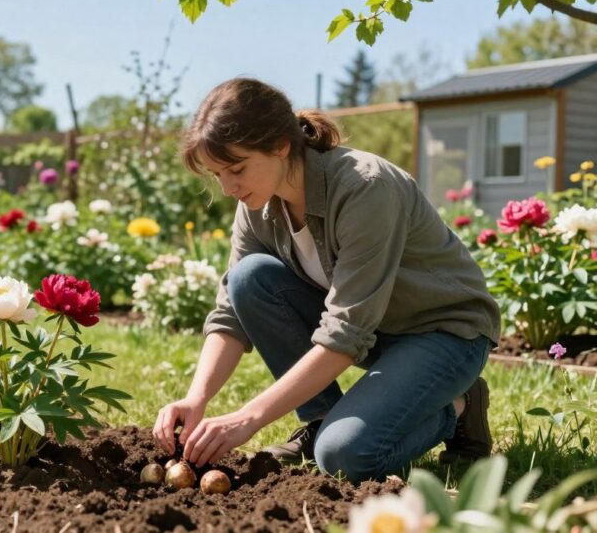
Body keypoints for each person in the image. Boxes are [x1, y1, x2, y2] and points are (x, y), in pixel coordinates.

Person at [151, 78, 501, 484]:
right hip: (377, 333)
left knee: (343, 457)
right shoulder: (257, 203)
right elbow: (231, 310)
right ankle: (320, 418)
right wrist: (197, 398)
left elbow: (346, 332)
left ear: (281, 145)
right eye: (217, 175)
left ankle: (457, 406)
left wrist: (248, 418)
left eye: (237, 168)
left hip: (446, 334)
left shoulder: (365, 188)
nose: (228, 188)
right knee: (249, 279)